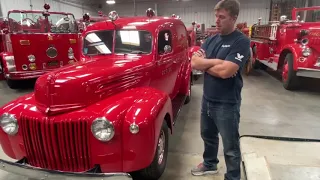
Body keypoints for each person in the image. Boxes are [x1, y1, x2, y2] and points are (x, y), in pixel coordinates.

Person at [190, 0, 250, 180]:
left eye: (222, 17)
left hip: (227, 103)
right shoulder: (211, 39)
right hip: (207, 99)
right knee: (207, 136)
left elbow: (226, 72)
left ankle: (232, 177)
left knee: (230, 146)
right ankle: (210, 164)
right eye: (216, 16)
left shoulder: (241, 41)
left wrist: (205, 65)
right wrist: (216, 62)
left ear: (233, 18)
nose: (217, 20)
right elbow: (194, 62)